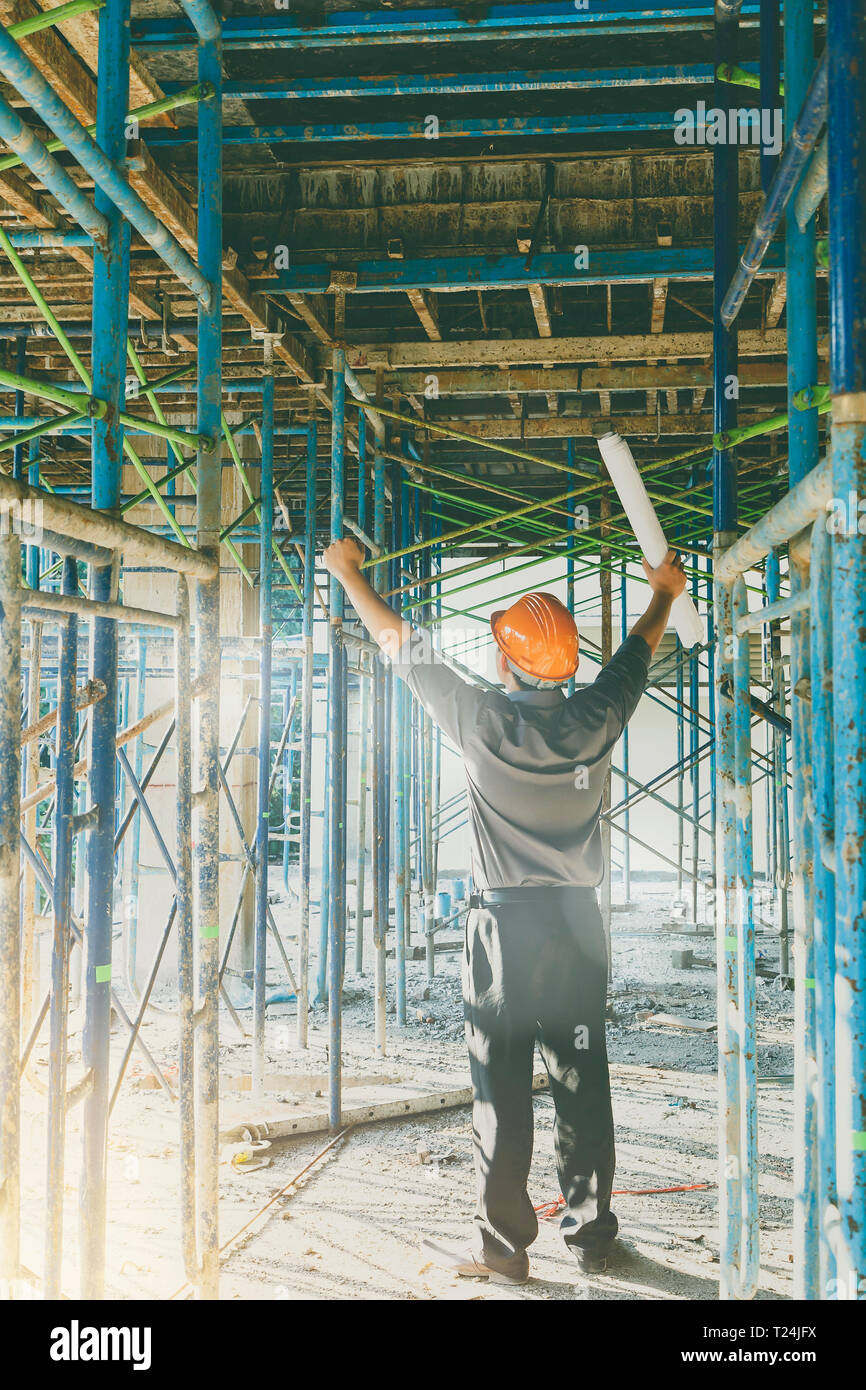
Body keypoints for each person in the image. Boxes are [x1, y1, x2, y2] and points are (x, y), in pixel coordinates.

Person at [323, 535, 687, 1284]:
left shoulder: (481, 720)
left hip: (503, 933)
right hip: (578, 928)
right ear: (568, 666)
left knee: (502, 1091)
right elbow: (639, 649)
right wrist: (663, 590)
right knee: (583, 1087)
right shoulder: (598, 713)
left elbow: (400, 643)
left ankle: (506, 1253)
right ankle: (592, 1239)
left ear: (502, 661)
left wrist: (346, 573)